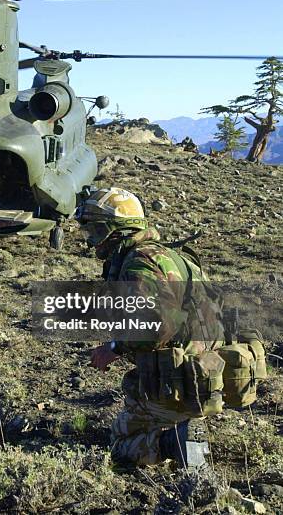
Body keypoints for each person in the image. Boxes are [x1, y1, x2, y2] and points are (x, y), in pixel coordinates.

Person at [75, 187, 225, 469]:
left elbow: (157, 325)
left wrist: (114, 348)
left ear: (118, 230)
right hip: (202, 375)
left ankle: (176, 441)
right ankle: (182, 424)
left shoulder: (139, 262)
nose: (92, 242)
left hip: (176, 382)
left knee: (120, 445)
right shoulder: (167, 256)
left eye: (96, 232)